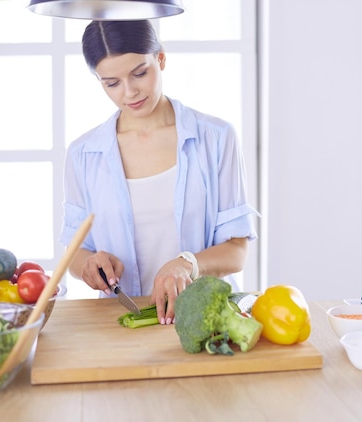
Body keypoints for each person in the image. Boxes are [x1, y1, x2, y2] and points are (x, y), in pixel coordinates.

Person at [59, 20, 258, 325]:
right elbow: (75, 253)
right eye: (111, 83)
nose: (130, 92)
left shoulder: (216, 138)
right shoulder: (83, 154)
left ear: (161, 59)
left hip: (206, 320)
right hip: (122, 325)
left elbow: (237, 252)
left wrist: (187, 264)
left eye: (140, 73)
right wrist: (89, 264)